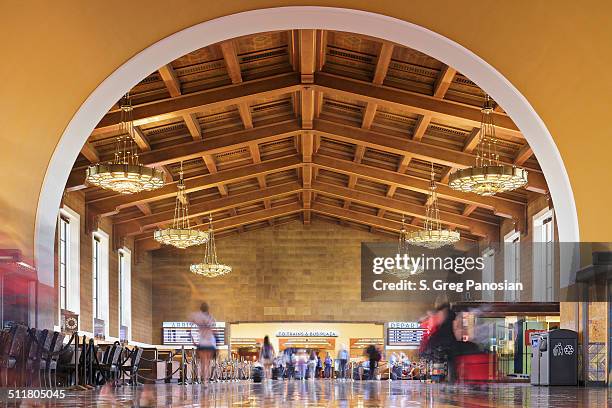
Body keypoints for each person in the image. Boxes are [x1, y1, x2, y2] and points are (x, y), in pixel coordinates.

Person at [189, 302, 217, 386]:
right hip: (211, 343)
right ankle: (206, 381)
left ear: (200, 308)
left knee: (202, 363)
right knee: (208, 363)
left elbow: (189, 326)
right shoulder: (212, 318)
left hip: (202, 343)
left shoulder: (197, 316)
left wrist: (192, 339)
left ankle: (203, 379)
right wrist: (217, 345)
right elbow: (215, 332)